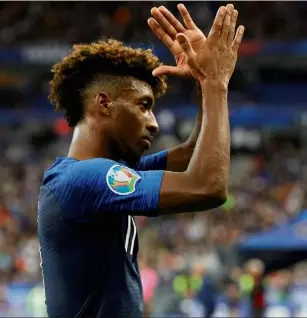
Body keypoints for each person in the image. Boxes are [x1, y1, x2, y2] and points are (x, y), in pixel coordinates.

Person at [38, 3, 244, 317]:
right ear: (104, 104)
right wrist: (216, 83)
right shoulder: (84, 179)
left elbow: (194, 155)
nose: (154, 123)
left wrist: (204, 83)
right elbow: (208, 186)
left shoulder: (101, 175)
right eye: (143, 106)